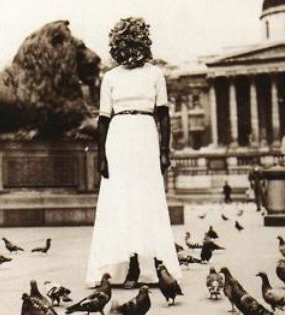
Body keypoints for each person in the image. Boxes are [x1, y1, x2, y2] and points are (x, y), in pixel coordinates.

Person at [85, 17, 181, 288]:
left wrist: (164, 150)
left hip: (145, 136)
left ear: (142, 45)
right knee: (121, 202)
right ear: (118, 47)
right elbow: (103, 119)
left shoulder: (155, 74)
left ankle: (148, 265)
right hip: (119, 137)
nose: (129, 51)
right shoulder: (111, 77)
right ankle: (128, 266)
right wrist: (101, 155)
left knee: (145, 201)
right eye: (124, 45)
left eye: (133, 44)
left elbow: (163, 115)